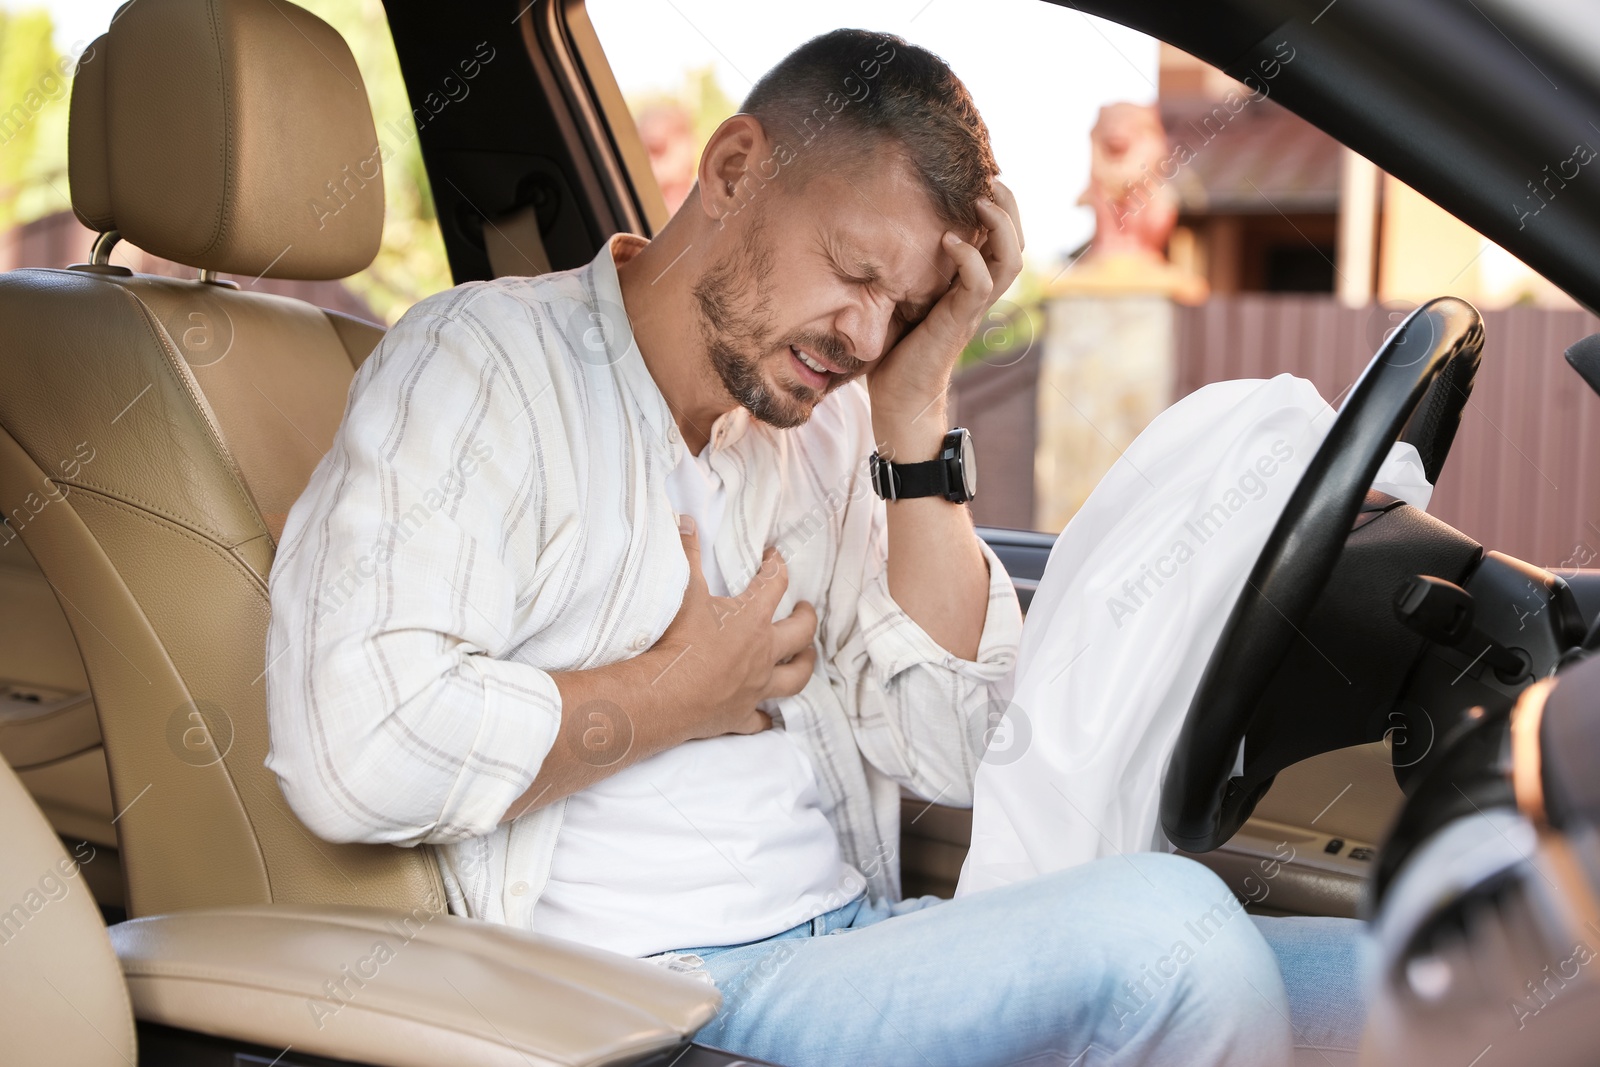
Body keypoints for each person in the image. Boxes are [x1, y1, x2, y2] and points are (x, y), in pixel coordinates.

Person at [265, 29, 1356, 1066]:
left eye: (907, 305)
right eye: (853, 270)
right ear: (735, 167)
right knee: (1177, 929)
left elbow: (953, 746)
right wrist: (674, 692)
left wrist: (915, 409)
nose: (867, 336)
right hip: (665, 1000)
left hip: (852, 939)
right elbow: (355, 748)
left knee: (1394, 971)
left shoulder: (823, 424)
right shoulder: (482, 366)